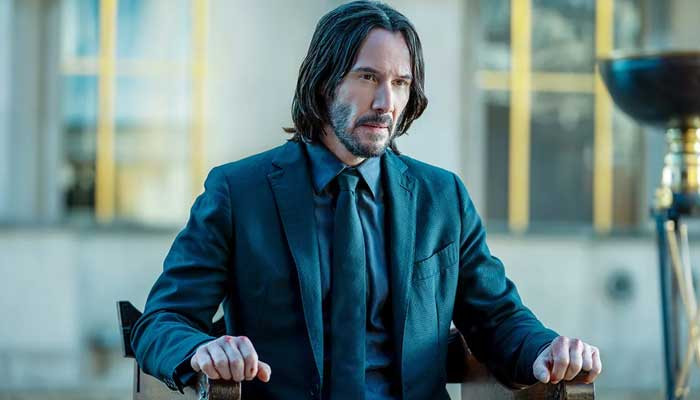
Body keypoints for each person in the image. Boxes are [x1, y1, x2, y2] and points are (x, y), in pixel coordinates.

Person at [130, 1, 602, 399]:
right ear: (324, 82)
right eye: (368, 77)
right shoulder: (239, 192)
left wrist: (546, 350)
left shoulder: (442, 198)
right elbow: (162, 321)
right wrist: (201, 351)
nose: (386, 103)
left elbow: (497, 318)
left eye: (400, 83)